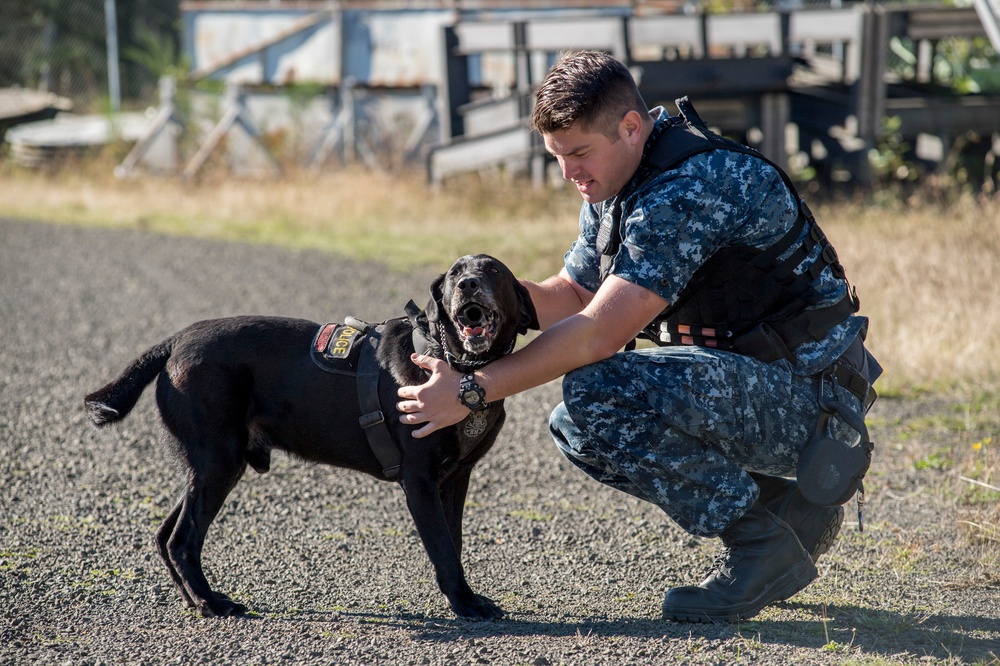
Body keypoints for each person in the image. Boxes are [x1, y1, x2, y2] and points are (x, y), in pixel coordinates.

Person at [396, 50, 880, 623]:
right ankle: (785, 513)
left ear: (631, 127)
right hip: (759, 392)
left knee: (597, 391)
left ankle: (761, 546)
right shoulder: (616, 183)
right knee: (574, 424)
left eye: (579, 153)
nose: (569, 172)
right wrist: (484, 294)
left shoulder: (690, 186)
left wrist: (473, 391)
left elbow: (598, 333)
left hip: (813, 406)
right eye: (557, 157)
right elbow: (576, 296)